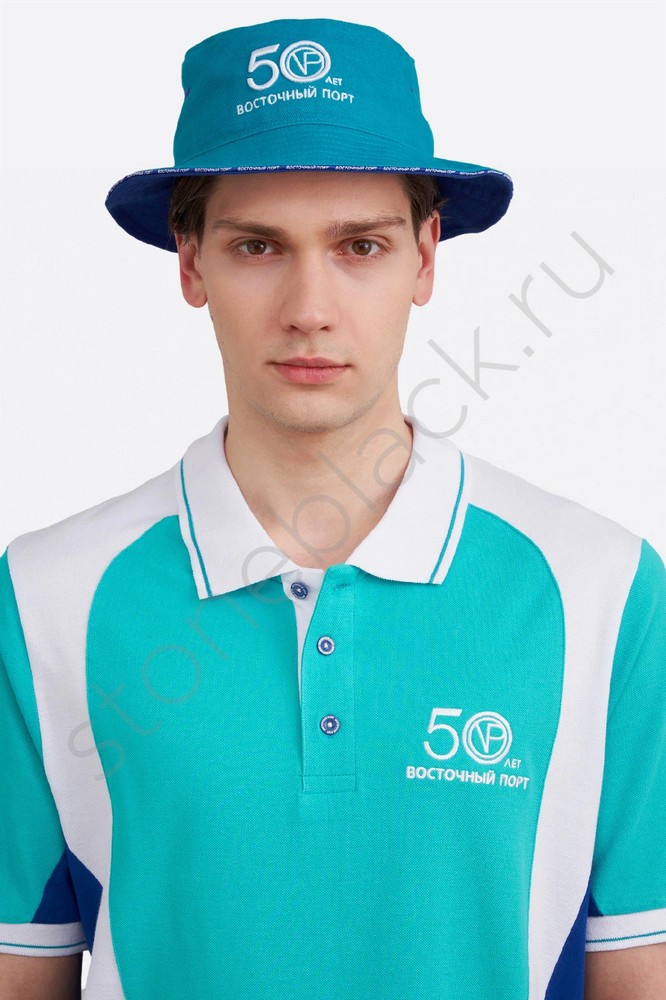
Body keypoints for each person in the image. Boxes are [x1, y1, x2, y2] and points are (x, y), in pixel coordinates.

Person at [0, 16, 664, 1000]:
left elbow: (639, 971)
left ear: (426, 258)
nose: (310, 307)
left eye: (360, 245)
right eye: (258, 246)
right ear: (191, 263)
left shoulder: (603, 589)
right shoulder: (43, 599)